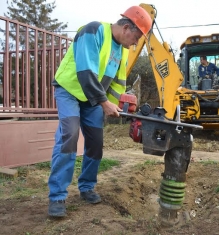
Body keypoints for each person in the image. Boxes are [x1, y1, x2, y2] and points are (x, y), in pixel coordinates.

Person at [47, 6, 152, 217]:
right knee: (70, 135)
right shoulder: (93, 31)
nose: (135, 44)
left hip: (92, 99)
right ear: (126, 28)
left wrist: (117, 110)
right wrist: (104, 104)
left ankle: (86, 187)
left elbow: (117, 84)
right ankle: (57, 196)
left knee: (95, 141)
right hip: (70, 90)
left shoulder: (121, 51)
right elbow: (86, 73)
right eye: (137, 37)